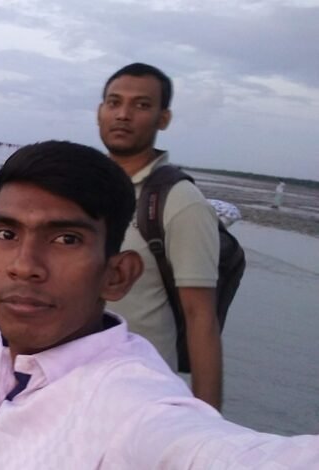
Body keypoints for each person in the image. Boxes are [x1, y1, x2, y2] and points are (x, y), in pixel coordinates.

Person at [0, 140, 319, 469]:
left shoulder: (130, 409)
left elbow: (208, 451)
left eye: (67, 239)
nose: (25, 266)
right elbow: (0, 356)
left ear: (117, 275)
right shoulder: (22, 361)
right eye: (7, 233)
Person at [97, 63, 222, 409]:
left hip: (142, 400)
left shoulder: (180, 201)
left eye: (141, 105)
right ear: (100, 111)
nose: (123, 114)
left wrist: (206, 421)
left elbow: (201, 318)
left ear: (163, 119)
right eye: (114, 102)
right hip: (71, 388)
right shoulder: (82, 188)